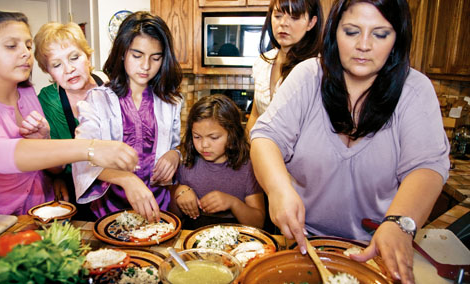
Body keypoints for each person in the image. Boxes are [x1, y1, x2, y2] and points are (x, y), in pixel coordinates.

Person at [249, 0, 449, 283]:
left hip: (377, 248)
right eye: (352, 31)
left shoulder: (415, 90)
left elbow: (427, 166)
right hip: (305, 241)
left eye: (380, 34)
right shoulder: (308, 76)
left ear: (398, 38)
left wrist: (399, 223)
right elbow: (266, 136)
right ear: (334, 32)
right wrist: (279, 188)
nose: (364, 45)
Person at [0, 10, 138, 215]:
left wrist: (45, 139)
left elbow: (48, 165)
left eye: (28, 45)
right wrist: (91, 148)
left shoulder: (27, 92)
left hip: (44, 211)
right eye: (12, 45)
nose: (25, 53)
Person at [72, 11, 183, 222]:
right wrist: (126, 179)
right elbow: (83, 157)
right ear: (122, 53)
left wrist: (174, 155)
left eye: (156, 57)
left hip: (158, 207)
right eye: (137, 55)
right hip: (110, 211)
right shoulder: (97, 100)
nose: (146, 66)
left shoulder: (170, 101)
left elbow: (176, 144)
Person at [33, 22, 106, 219]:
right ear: (48, 71)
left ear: (88, 56)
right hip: (76, 191)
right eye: (57, 65)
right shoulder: (48, 100)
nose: (69, 69)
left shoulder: (111, 87)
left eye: (75, 57)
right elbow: (55, 164)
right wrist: (56, 176)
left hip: (118, 188)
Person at [170, 95, 265, 229]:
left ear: (232, 135)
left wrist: (233, 203)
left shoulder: (248, 167)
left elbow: (258, 223)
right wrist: (179, 192)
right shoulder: (186, 162)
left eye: (214, 138)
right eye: (197, 137)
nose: (204, 145)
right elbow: (172, 215)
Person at [245, 0, 322, 133]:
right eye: (278, 16)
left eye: (294, 17)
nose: (283, 23)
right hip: (261, 151)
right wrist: (247, 150)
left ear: (311, 23)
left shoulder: (317, 69)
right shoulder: (263, 63)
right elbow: (255, 115)